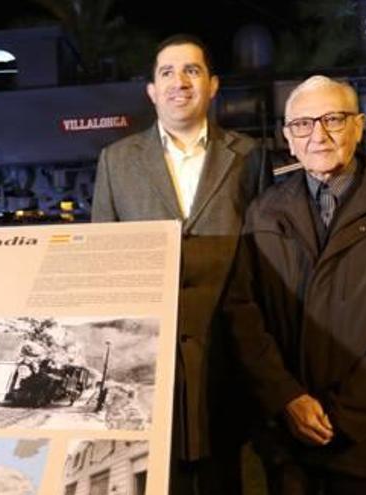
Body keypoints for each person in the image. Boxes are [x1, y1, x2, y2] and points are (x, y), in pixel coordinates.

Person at [222, 75, 366, 495]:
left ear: (359, 126)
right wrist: (286, 397)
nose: (318, 134)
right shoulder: (263, 213)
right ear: (288, 139)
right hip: (293, 449)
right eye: (303, 124)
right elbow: (244, 313)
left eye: (333, 119)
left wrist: (344, 413)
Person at [92, 33, 269, 495]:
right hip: (149, 363)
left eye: (192, 70)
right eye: (167, 72)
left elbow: (266, 257)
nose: (179, 82)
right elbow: (101, 260)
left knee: (224, 477)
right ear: (151, 90)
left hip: (225, 354)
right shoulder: (115, 161)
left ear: (212, 85)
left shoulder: (250, 157)